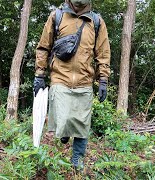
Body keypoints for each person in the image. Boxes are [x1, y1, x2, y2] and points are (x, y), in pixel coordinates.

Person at [33, 0, 111, 170]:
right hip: (60, 77)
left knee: (82, 123)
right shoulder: (57, 16)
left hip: (84, 80)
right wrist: (40, 74)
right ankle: (65, 133)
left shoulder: (96, 22)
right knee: (64, 118)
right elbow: (43, 47)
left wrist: (103, 79)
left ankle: (77, 160)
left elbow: (103, 53)